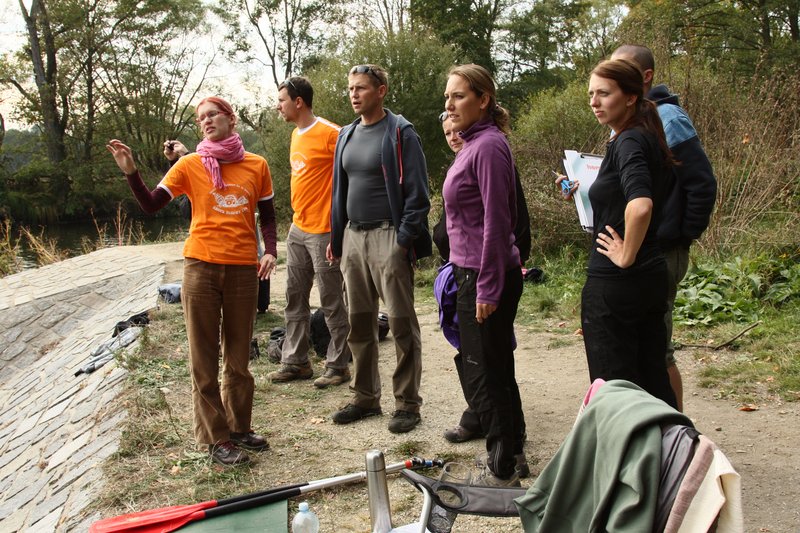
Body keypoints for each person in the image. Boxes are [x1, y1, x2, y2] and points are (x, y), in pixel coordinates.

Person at [106, 96, 277, 466]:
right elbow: (152, 204)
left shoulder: (256, 164)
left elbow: (267, 215)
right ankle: (216, 439)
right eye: (201, 118)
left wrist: (270, 251)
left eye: (213, 114)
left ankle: (239, 428)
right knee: (204, 357)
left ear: (230, 119)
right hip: (200, 267)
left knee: (239, 357)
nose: (206, 121)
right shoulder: (189, 164)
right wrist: (131, 172)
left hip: (242, 269)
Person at [560, 58, 677, 408]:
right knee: (653, 381)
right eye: (591, 94)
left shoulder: (628, 141)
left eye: (604, 94)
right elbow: (628, 198)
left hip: (617, 283)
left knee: (615, 392)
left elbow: (640, 205)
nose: (594, 102)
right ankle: (668, 443)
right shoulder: (647, 136)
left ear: (630, 97)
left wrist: (625, 254)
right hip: (650, 274)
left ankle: (629, 447)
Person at [326, 64, 432, 434]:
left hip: (389, 236)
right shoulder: (346, 134)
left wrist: (402, 241)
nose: (354, 95)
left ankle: (407, 404)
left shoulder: (401, 132)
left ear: (381, 90)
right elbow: (338, 191)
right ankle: (365, 398)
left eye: (361, 88)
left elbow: (419, 195)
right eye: (350, 89)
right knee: (359, 322)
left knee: (401, 323)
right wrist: (337, 239)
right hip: (353, 237)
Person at [611, 45, 717, 412]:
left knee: (659, 349)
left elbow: (702, 183)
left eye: (623, 69)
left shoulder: (667, 117)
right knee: (642, 344)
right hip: (640, 247)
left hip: (663, 248)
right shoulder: (633, 121)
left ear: (646, 76)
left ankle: (677, 431)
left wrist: (681, 233)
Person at [442, 64, 526, 486]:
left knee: (488, 375)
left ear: (483, 99)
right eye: (447, 97)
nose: (450, 104)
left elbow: (497, 221)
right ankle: (511, 456)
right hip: (470, 271)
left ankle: (502, 470)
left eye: (458, 96)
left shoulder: (489, 146)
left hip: (484, 276)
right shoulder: (473, 143)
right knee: (493, 368)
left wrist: (488, 288)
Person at [268, 76, 352, 389]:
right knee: (294, 297)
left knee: (331, 300)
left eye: (282, 101)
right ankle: (296, 361)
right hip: (298, 229)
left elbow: (353, 174)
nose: (279, 106)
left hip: (324, 231)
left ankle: (338, 365)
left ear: (299, 101)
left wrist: (340, 227)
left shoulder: (332, 133)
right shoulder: (295, 134)